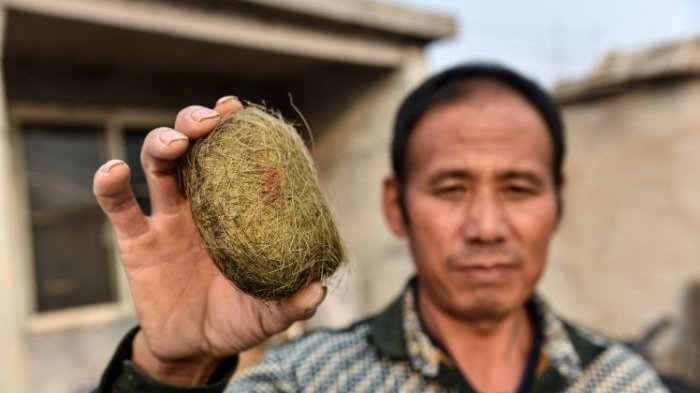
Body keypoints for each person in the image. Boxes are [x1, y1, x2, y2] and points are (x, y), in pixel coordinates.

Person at [93, 63, 668, 392]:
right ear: (396, 206)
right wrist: (171, 366)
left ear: (558, 204)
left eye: (518, 189)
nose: (487, 226)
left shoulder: (626, 382)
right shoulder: (301, 383)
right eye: (451, 188)